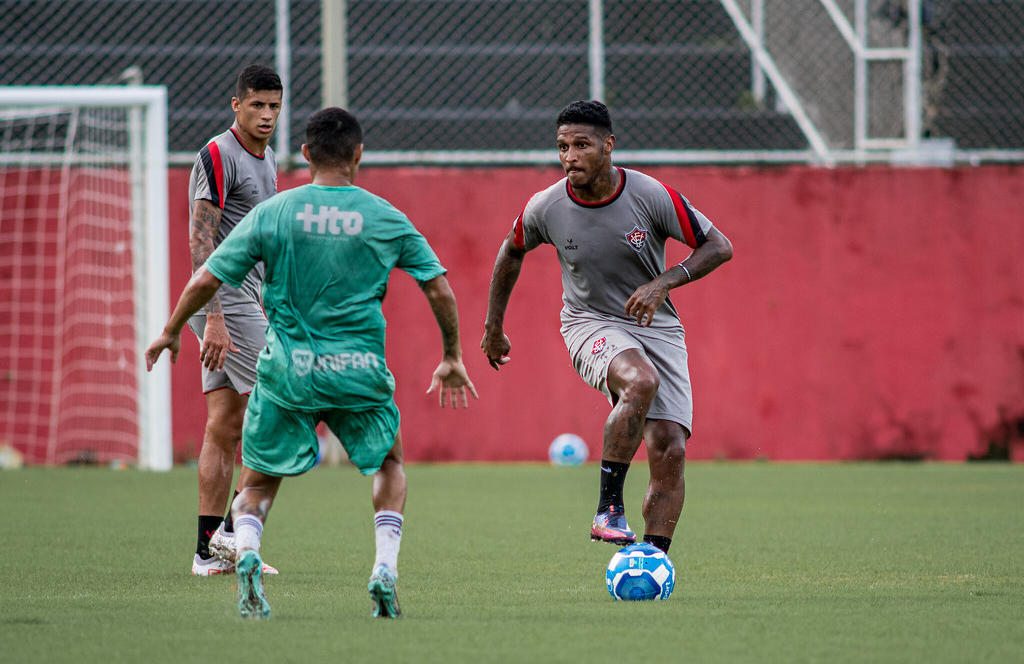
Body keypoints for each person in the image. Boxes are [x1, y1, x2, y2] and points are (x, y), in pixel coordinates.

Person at [146, 107, 478, 620]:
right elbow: (438, 286)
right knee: (389, 463)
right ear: (358, 155)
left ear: (304, 155)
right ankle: (384, 567)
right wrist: (452, 354)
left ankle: (248, 551)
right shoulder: (382, 215)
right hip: (358, 371)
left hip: (288, 371)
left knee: (256, 482)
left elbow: (208, 278)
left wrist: (171, 329)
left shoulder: (274, 213)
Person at [481, 100, 732, 556]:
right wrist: (493, 326)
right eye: (562, 147)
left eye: (581, 145)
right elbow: (510, 251)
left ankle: (652, 562)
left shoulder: (651, 194)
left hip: (656, 325)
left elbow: (719, 246)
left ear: (608, 145)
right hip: (588, 321)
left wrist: (664, 282)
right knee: (641, 381)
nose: (570, 156)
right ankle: (608, 508)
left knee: (670, 448)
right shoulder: (547, 206)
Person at [186, 64, 283, 576]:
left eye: (274, 105)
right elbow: (201, 242)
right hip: (224, 298)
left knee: (224, 424)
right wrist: (215, 317)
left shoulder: (267, 160)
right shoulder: (218, 154)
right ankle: (232, 532)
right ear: (236, 105)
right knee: (284, 409)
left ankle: (207, 553)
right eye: (257, 105)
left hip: (248, 298)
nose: (266, 115)